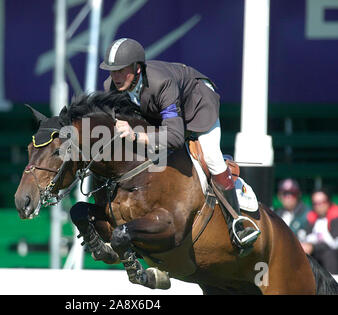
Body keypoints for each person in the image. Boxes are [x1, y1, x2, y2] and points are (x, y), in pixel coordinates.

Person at [99, 38, 260, 256]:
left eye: (121, 71)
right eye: (112, 71)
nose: (115, 77)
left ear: (137, 68)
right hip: (157, 111)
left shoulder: (161, 82)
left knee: (211, 156)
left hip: (197, 103)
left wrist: (135, 134)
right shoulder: (110, 87)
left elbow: (174, 137)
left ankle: (236, 223)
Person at [301, 188, 338, 274]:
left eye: (322, 202)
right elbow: (305, 237)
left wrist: (313, 246)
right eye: (316, 203)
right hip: (315, 255)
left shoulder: (336, 218)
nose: (319, 206)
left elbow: (334, 243)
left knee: (329, 255)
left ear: (329, 201)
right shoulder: (311, 219)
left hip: (332, 259)